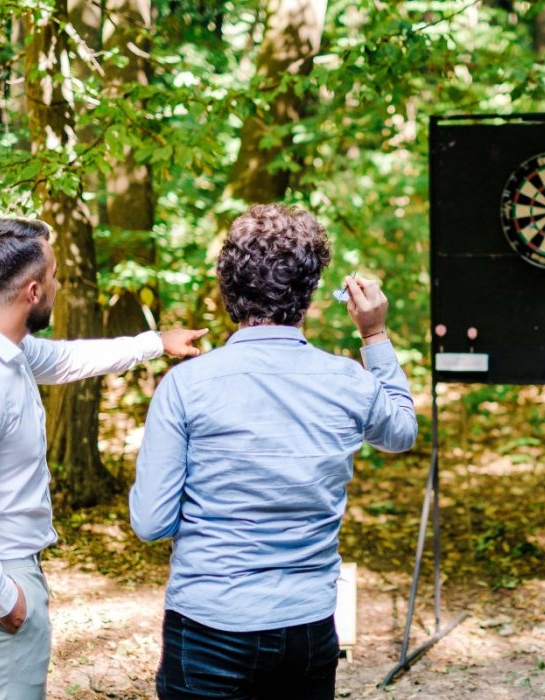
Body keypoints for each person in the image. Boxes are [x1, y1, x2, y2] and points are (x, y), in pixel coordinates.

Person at [130, 203, 418, 700]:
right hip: (307, 628)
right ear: (309, 295)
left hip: (207, 623)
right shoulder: (348, 381)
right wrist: (374, 333)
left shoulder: (186, 386)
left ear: (228, 290)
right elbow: (402, 431)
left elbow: (151, 523)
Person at [0, 217, 205, 700]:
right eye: (53, 276)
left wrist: (155, 343)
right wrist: (4, 599)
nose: (57, 283)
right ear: (33, 291)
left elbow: (66, 360)